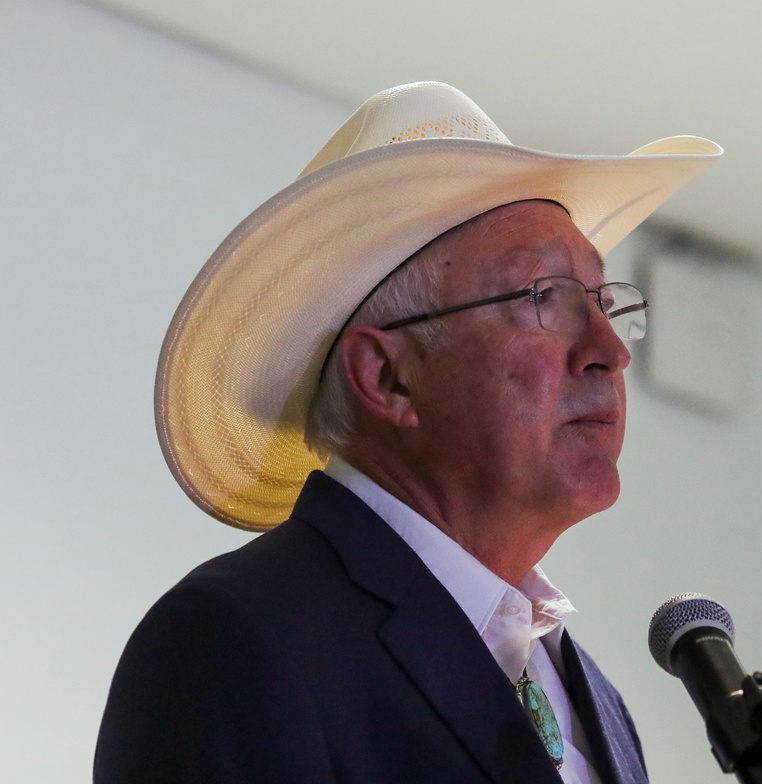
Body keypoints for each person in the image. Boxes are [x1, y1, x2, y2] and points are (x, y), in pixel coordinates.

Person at [95, 81, 720, 784]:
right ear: (388, 377)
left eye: (602, 302)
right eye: (544, 297)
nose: (609, 350)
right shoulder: (235, 637)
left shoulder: (593, 696)